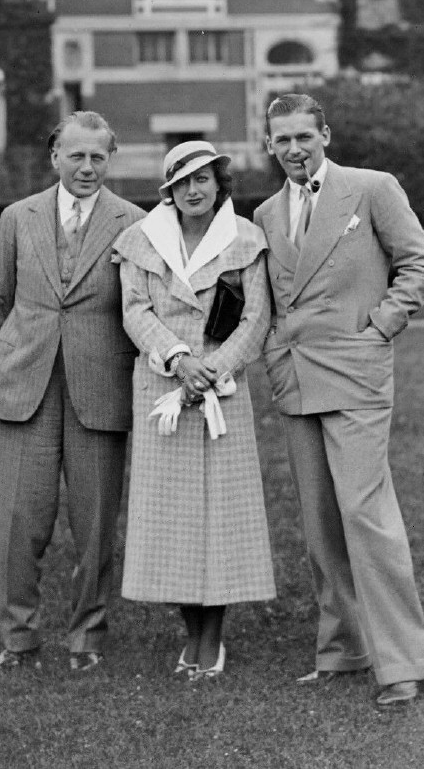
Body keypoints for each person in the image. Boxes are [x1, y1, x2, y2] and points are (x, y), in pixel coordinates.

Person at [254, 94, 424, 710]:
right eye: (282, 140)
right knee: (319, 522)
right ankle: (343, 650)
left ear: (325, 134)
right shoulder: (265, 212)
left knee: (366, 515)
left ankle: (402, 664)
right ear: (270, 144)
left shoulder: (371, 188)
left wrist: (380, 328)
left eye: (304, 136)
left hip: (357, 373)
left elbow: (419, 264)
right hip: (297, 378)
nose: (294, 149)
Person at [0, 111, 145, 672]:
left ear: (109, 160)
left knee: (95, 524)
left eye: (98, 157)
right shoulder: (17, 218)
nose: (87, 167)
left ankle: (87, 638)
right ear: (55, 157)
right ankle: (18, 638)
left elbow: (146, 307)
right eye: (76, 156)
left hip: (101, 388)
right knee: (19, 521)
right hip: (23, 387)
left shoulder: (135, 222)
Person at [112, 140, 276, 679]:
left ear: (219, 183)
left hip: (222, 391)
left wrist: (212, 369)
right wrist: (181, 361)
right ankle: (191, 634)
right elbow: (134, 309)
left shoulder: (247, 239)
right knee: (173, 517)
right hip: (162, 386)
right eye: (183, 182)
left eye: (203, 178)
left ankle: (214, 638)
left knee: (221, 515)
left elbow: (255, 318)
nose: (194, 189)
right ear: (169, 190)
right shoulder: (140, 241)